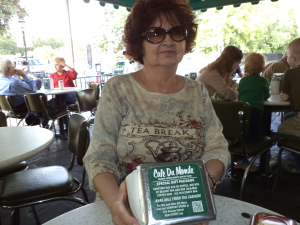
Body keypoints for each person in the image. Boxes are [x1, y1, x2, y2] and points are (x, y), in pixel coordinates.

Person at [83, 1, 230, 225]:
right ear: (138, 43)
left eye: (177, 31)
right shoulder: (118, 89)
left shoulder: (197, 91)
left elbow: (217, 148)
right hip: (126, 211)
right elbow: (100, 158)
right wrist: (116, 204)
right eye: (155, 33)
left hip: (185, 210)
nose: (168, 40)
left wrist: (203, 189)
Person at [0, 59, 58, 126]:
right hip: (20, 108)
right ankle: (43, 122)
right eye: (14, 68)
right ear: (10, 69)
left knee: (45, 104)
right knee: (53, 103)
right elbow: (34, 90)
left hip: (7, 109)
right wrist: (24, 75)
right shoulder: (14, 82)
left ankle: (39, 120)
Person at [278, 38, 300, 173]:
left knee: (282, 128)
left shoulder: (290, 72)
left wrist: (283, 95)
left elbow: (285, 95)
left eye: (286, 55)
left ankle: (298, 166)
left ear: (292, 57)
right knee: (289, 116)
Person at [238, 53, 270, 142]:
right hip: (256, 110)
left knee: (244, 129)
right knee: (256, 130)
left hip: (242, 109)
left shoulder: (242, 80)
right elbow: (266, 96)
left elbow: (240, 93)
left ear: (245, 68)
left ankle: (242, 144)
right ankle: (256, 143)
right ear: (264, 68)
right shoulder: (264, 81)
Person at [49, 57, 77, 132]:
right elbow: (50, 87)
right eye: (54, 65)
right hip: (59, 98)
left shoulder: (68, 73)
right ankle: (67, 126)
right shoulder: (52, 75)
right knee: (62, 104)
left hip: (70, 95)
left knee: (60, 100)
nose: (55, 67)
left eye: (56, 65)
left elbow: (74, 76)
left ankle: (48, 120)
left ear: (62, 65)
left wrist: (66, 65)